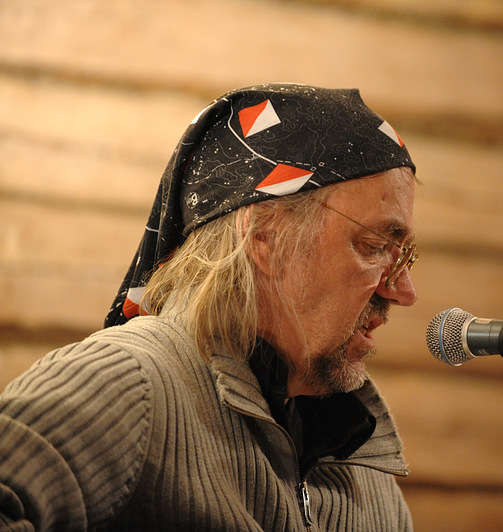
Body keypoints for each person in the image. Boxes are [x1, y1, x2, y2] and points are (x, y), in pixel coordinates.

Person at [0, 83, 420, 530]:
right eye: (374, 245)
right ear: (265, 234)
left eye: (406, 257)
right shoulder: (131, 379)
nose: (404, 290)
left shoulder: (365, 472)